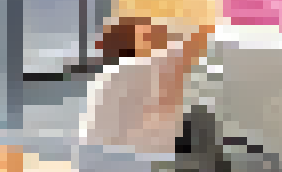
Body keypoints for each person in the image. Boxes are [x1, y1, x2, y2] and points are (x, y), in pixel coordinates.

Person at [78, 16, 215, 156]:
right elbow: (196, 41)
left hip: (112, 156)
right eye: (149, 36)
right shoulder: (131, 70)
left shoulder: (111, 78)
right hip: (137, 158)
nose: (163, 41)